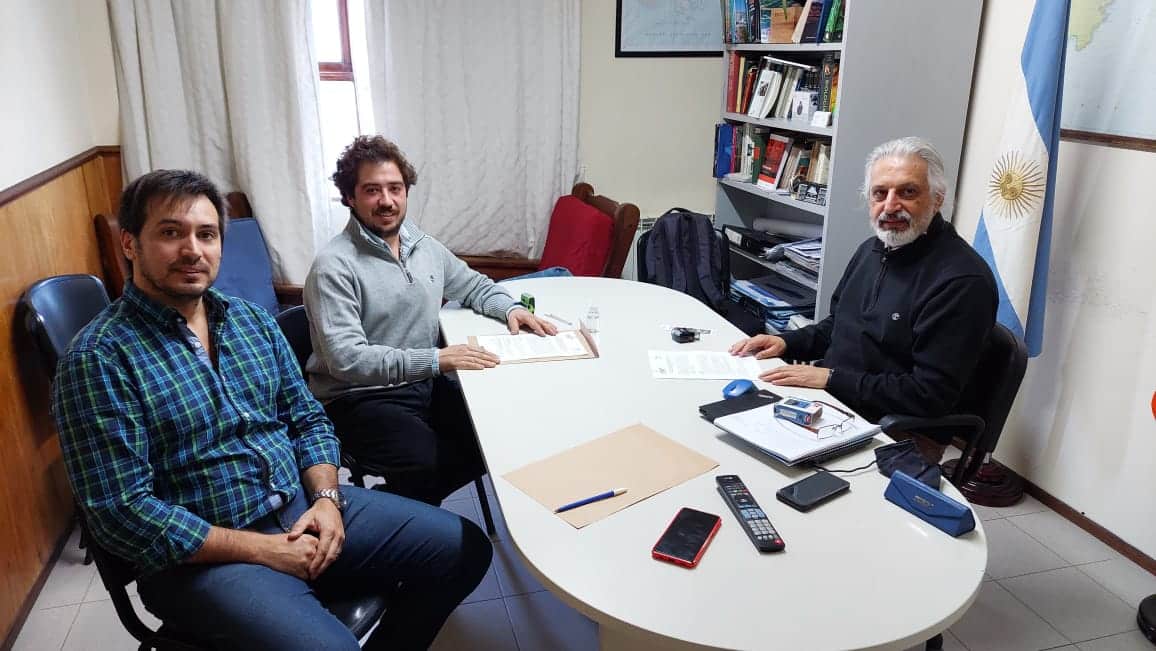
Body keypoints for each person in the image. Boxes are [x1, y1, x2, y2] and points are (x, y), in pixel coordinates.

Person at [53, 170, 492, 650]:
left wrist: (327, 499)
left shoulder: (251, 322)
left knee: (464, 550)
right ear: (130, 244)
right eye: (170, 232)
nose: (193, 250)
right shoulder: (98, 359)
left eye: (207, 234)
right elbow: (123, 513)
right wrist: (263, 551)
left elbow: (309, 420)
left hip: (300, 508)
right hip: (203, 559)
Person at [305, 135, 558, 506]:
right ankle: (404, 520)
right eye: (372, 190)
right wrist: (437, 359)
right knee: (427, 463)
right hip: (357, 397)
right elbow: (348, 360)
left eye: (395, 188)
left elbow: (472, 284)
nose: (387, 201)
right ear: (349, 197)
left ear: (407, 191)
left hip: (421, 381)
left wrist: (510, 308)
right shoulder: (334, 266)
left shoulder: (421, 244)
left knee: (499, 437)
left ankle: (404, 504)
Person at [730, 137, 998, 462]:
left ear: (937, 199)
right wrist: (785, 342)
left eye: (908, 192)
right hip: (835, 402)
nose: (890, 205)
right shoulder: (874, 250)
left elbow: (930, 395)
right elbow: (837, 327)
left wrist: (830, 378)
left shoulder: (961, 280)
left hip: (897, 430)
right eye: (879, 193)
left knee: (757, 465)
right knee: (732, 431)